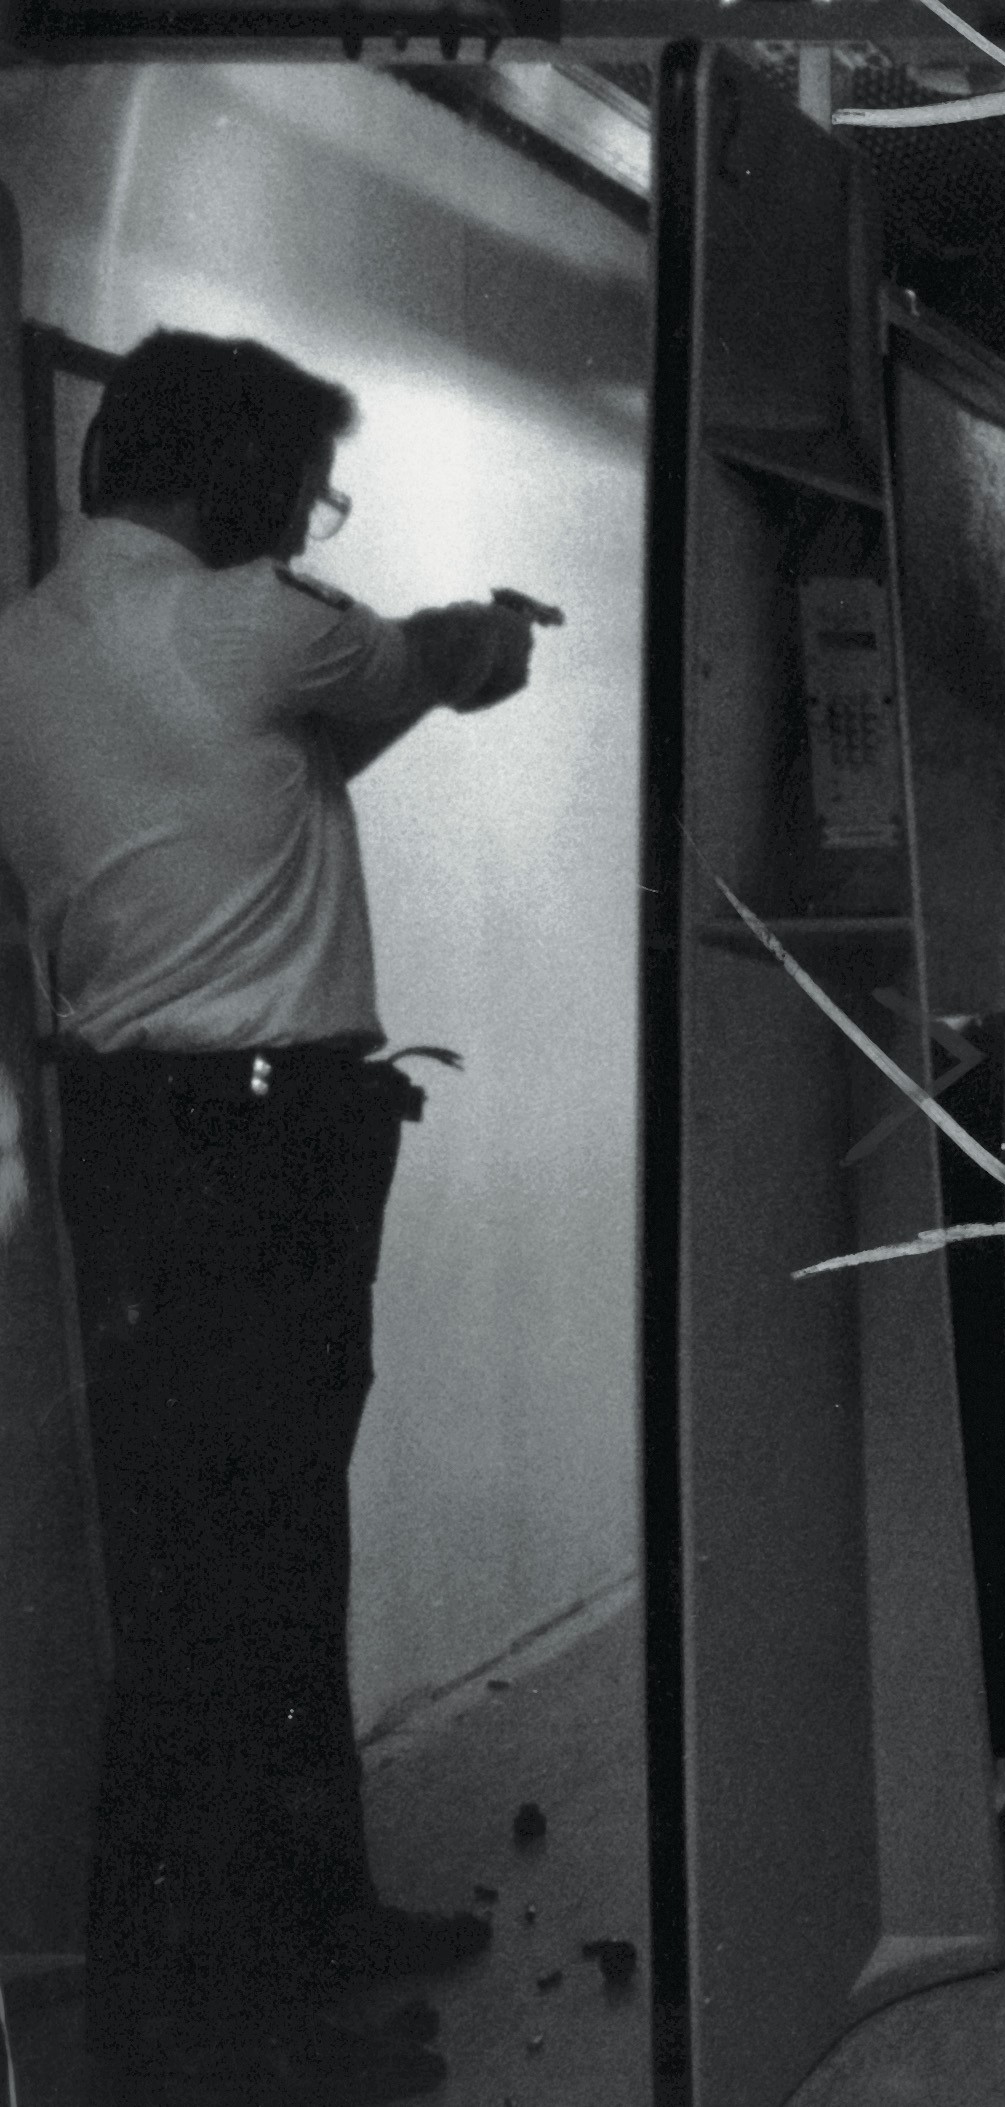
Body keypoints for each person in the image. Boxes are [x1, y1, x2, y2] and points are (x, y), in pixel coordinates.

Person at [0, 329, 547, 2104]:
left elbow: (243, 797)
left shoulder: (28, 647)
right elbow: (437, 662)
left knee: (225, 1559)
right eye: (308, 489)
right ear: (241, 476)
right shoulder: (247, 621)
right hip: (260, 1153)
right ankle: (217, 2016)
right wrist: (491, 633)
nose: (308, 521)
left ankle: (300, 1928)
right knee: (247, 1571)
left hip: (134, 1147)